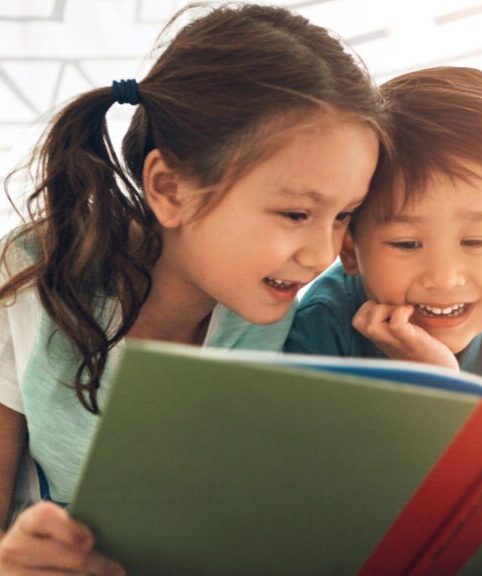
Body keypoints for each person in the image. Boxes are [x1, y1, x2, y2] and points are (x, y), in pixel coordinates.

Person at [0, 3, 385, 573]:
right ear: (170, 188)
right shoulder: (35, 275)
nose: (323, 254)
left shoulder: (275, 315)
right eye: (295, 213)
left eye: (344, 215)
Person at [284, 66, 482, 395]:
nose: (443, 278)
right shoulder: (321, 330)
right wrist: (434, 385)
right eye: (406, 244)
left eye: (477, 241)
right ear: (349, 247)